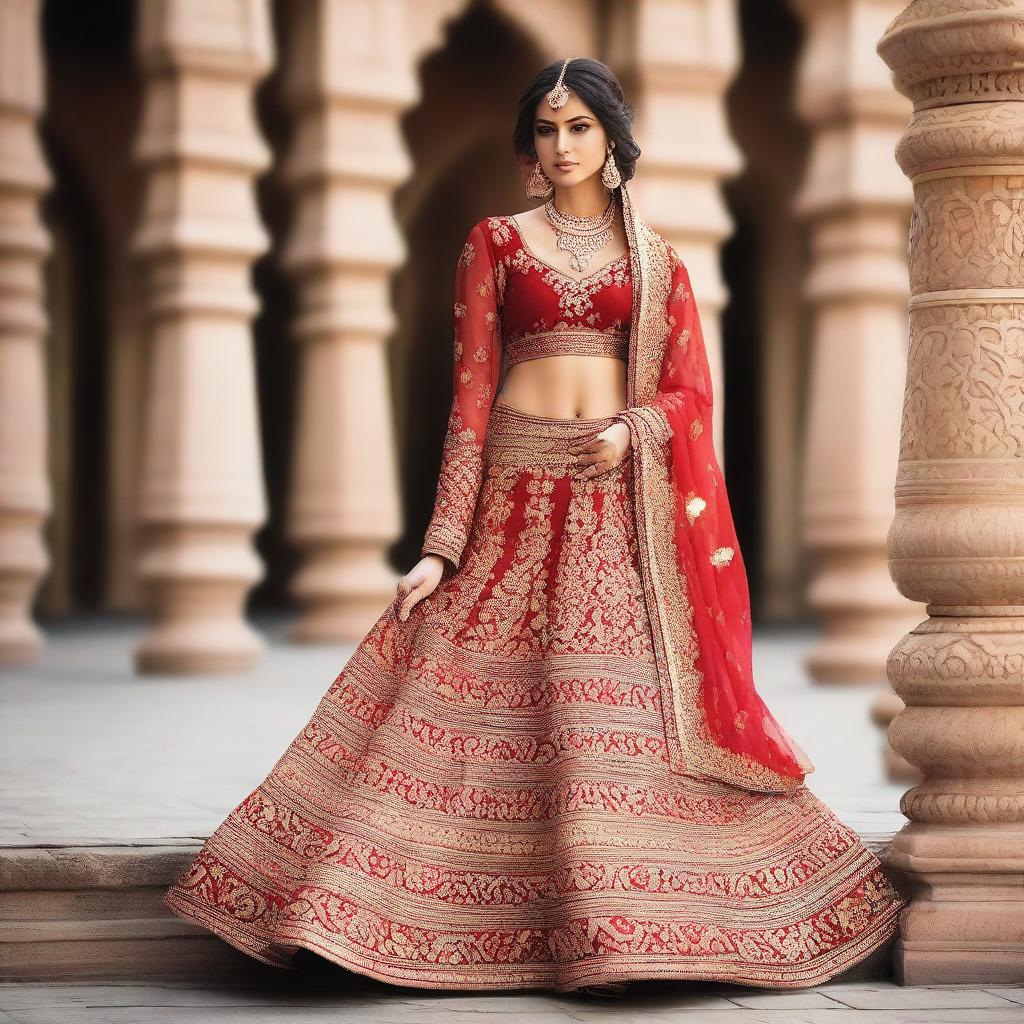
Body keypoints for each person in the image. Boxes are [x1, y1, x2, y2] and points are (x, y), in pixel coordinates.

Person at [163, 57, 905, 997]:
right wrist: (441, 544)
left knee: (614, 712)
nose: (562, 146)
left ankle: (627, 929)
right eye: (548, 130)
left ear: (611, 139)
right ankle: (360, 909)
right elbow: (470, 395)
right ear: (531, 146)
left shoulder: (659, 258)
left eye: (580, 128)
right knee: (466, 695)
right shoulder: (496, 243)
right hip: (515, 485)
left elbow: (687, 394)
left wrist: (635, 429)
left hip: (614, 499)